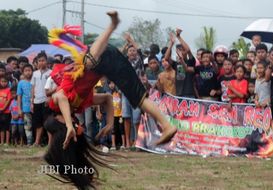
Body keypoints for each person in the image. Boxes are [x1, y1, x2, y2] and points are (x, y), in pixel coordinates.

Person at [45, 11, 177, 188]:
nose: (73, 125)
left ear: (58, 121)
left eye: (66, 124)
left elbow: (60, 96)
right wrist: (109, 124)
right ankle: (167, 125)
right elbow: (107, 98)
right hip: (110, 62)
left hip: (96, 55)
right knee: (137, 97)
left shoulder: (56, 102)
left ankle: (112, 25)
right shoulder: (79, 105)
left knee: (89, 62)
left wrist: (69, 125)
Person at [31, 51, 52, 146]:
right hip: (36, 101)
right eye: (39, 61)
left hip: (46, 100)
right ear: (37, 62)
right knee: (38, 123)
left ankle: (50, 143)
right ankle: (37, 142)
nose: (41, 62)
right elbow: (32, 87)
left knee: (47, 122)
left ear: (46, 61)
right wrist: (31, 101)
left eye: (43, 60)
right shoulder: (34, 73)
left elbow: (53, 87)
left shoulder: (51, 73)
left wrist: (49, 98)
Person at [17, 64, 33, 146]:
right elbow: (19, 97)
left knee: (37, 124)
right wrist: (19, 109)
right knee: (27, 126)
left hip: (35, 106)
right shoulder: (21, 83)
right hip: (26, 108)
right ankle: (29, 142)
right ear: (23, 72)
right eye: (26, 71)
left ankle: (38, 141)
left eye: (29, 70)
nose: (28, 72)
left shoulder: (35, 81)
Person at [108, 81, 125, 150]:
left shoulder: (119, 93)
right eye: (110, 84)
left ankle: (123, 144)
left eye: (113, 83)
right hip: (113, 114)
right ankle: (113, 144)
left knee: (121, 129)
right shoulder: (109, 94)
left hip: (120, 114)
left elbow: (122, 103)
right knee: (113, 129)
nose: (111, 85)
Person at [0, 76, 12, 145]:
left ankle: (7, 142)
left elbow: (8, 100)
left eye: (5, 82)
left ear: (7, 82)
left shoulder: (8, 90)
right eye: (2, 81)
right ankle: (2, 142)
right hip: (0, 112)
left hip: (6, 112)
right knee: (1, 127)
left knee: (7, 127)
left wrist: (3, 108)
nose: (3, 83)